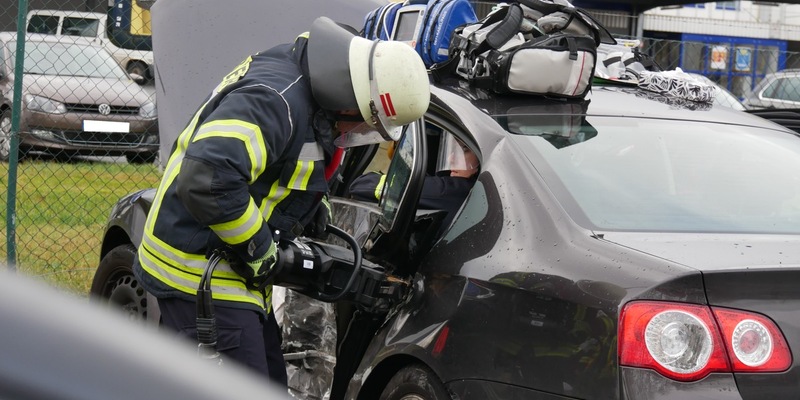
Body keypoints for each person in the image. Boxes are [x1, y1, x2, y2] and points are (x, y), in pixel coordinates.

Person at [131, 16, 429, 388]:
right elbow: (208, 180)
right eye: (366, 124)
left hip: (228, 270)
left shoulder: (308, 77)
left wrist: (309, 209)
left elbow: (279, 160)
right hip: (199, 272)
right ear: (353, 101)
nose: (359, 134)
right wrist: (259, 248)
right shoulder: (276, 99)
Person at [349, 131, 479, 226]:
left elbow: (360, 187)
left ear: (480, 160)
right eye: (453, 150)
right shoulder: (479, 194)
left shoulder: (449, 191)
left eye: (464, 150)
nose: (451, 158)